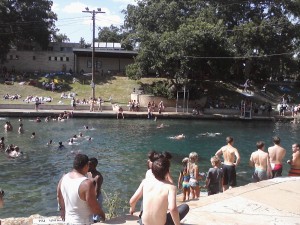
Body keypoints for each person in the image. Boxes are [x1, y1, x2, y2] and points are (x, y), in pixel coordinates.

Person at [129, 156, 189, 225]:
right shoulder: (171, 187)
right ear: (168, 172)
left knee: (145, 200)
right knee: (185, 207)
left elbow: (132, 201)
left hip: (143, 223)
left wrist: (132, 209)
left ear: (152, 171)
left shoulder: (145, 182)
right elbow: (172, 209)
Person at [57, 154, 105, 224]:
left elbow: (59, 196)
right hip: (82, 222)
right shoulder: (86, 183)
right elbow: (94, 207)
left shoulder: (63, 178)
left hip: (68, 221)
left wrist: (62, 210)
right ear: (86, 166)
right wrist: (102, 215)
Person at [87, 157, 104, 223]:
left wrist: (91, 201)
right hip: (90, 196)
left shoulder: (98, 177)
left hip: (96, 198)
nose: (87, 166)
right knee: (90, 215)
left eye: (89, 165)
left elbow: (97, 192)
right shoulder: (88, 173)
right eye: (87, 165)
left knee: (95, 216)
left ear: (94, 166)